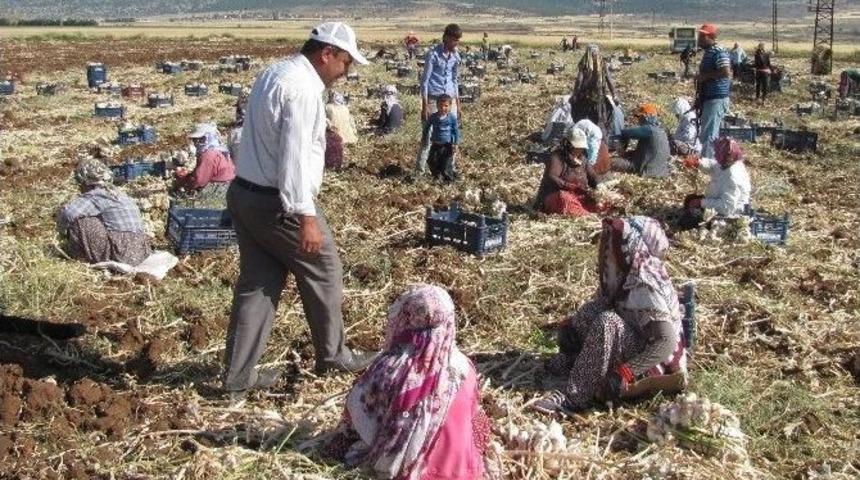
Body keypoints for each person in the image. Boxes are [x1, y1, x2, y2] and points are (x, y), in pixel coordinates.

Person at [223, 21, 375, 399]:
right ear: (326, 54)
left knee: (257, 286)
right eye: (345, 63)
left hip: (245, 193)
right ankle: (333, 355)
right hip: (280, 203)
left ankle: (237, 379)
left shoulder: (273, 73)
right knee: (325, 269)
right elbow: (293, 160)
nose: (346, 72)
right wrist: (306, 217)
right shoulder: (304, 90)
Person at [327, 284, 490, 480]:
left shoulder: (388, 369)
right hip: (463, 471)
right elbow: (474, 417)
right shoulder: (464, 368)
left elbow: (356, 415)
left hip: (413, 473)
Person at [533, 216, 687, 414]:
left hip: (647, 364)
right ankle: (572, 362)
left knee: (607, 323)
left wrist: (625, 372)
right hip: (630, 340)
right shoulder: (623, 275)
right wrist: (571, 326)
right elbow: (604, 303)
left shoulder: (646, 282)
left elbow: (665, 343)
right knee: (590, 312)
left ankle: (575, 397)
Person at [57, 158, 151, 266]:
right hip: (142, 251)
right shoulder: (119, 194)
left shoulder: (96, 195)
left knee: (81, 221)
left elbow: (68, 213)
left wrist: (61, 231)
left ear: (86, 182)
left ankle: (80, 260)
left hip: (122, 253)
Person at [417, 24, 462, 175]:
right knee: (428, 136)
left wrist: (458, 104)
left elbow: (455, 80)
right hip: (433, 99)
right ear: (446, 38)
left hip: (450, 100)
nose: (456, 43)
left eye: (458, 40)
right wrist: (424, 106)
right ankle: (420, 170)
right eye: (454, 39)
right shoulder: (433, 54)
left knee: (450, 135)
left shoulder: (456, 56)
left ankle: (448, 168)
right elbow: (425, 81)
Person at [678, 136, 751, 230]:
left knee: (687, 221)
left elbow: (726, 207)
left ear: (725, 156)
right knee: (690, 200)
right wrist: (698, 162)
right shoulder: (728, 163)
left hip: (730, 213)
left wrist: (702, 203)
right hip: (718, 198)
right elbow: (713, 165)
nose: (715, 154)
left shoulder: (732, 177)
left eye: (717, 153)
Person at [534, 127, 598, 216]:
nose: (579, 150)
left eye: (581, 147)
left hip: (578, 196)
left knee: (597, 202)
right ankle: (584, 214)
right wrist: (568, 186)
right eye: (576, 147)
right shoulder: (557, 157)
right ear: (568, 145)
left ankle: (587, 212)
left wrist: (599, 189)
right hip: (556, 196)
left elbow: (593, 177)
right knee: (564, 198)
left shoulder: (582, 160)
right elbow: (551, 177)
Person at [176, 123, 236, 204]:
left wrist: (182, 178)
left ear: (209, 138)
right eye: (195, 140)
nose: (197, 142)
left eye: (201, 139)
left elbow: (199, 181)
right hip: (231, 188)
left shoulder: (208, 155)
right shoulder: (220, 151)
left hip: (219, 190)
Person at [695, 23, 732, 159]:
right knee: (708, 133)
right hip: (709, 97)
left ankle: (708, 164)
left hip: (716, 97)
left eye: (702, 36)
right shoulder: (709, 52)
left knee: (709, 135)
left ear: (711, 37)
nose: (699, 39)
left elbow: (725, 72)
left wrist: (705, 76)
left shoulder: (719, 51)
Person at [569, 44, 618, 136]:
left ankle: (584, 143)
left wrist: (574, 95)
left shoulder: (584, 63)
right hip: (599, 99)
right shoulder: (602, 64)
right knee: (600, 122)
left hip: (585, 99)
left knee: (584, 122)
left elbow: (579, 80)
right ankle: (601, 144)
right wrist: (614, 95)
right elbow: (609, 80)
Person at [612, 104, 671, 178]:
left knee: (611, 162)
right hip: (661, 172)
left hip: (645, 171)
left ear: (646, 116)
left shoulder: (649, 129)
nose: (638, 120)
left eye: (640, 117)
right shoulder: (662, 131)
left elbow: (627, 133)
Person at [422, 94, 460, 182]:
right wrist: (424, 138)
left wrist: (456, 143)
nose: (443, 108)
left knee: (446, 164)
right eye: (440, 106)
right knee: (432, 161)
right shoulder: (433, 117)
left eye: (446, 106)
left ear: (450, 106)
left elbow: (456, 131)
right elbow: (426, 127)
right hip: (435, 144)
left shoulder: (452, 118)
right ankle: (437, 176)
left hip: (447, 145)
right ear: (437, 106)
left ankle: (449, 181)